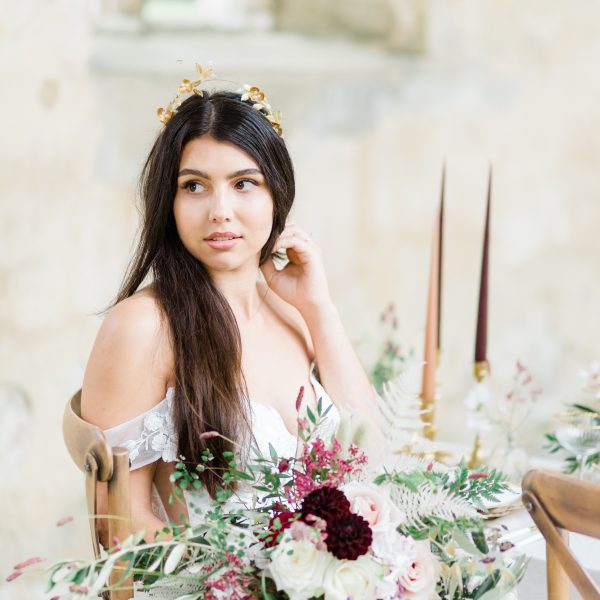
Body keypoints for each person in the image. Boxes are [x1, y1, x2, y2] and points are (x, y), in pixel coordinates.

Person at [80, 66, 377, 547]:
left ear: (277, 196)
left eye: (244, 183)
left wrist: (320, 310)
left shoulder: (292, 310)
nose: (220, 210)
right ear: (168, 202)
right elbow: (116, 520)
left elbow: (371, 452)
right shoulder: (144, 327)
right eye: (194, 186)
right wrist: (245, 582)